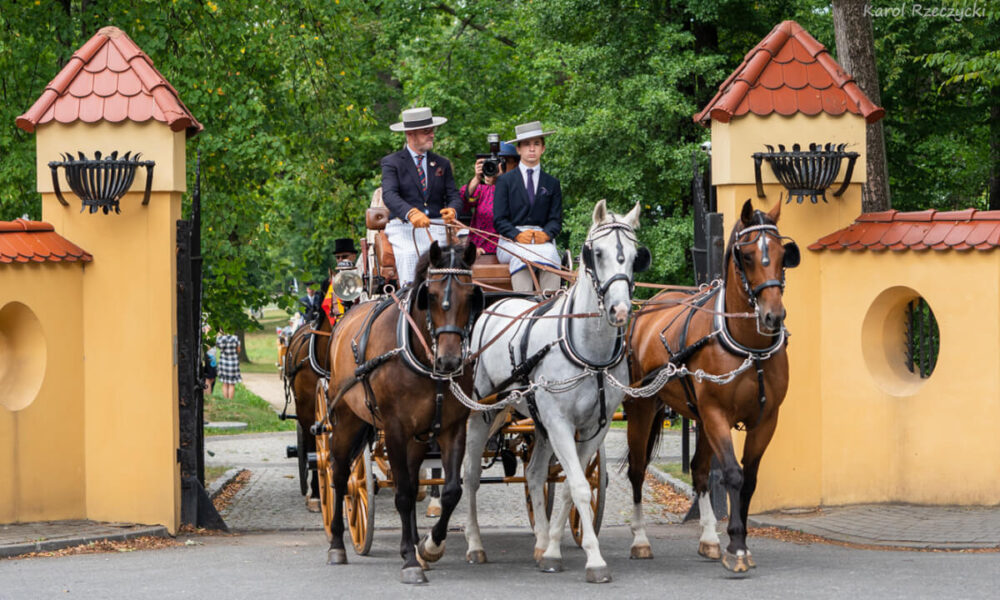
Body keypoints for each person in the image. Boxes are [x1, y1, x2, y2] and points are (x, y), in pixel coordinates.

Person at [380, 106, 462, 286]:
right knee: (410, 254)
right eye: (426, 132)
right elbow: (390, 195)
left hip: (437, 226)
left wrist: (453, 210)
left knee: (451, 258)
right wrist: (410, 213)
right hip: (403, 227)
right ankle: (410, 300)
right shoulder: (392, 163)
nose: (432, 135)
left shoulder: (442, 163)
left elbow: (453, 195)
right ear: (410, 133)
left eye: (432, 130)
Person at [493, 121, 563, 293]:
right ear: (518, 149)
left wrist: (546, 234)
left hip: (542, 240)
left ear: (543, 148)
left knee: (551, 257)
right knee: (522, 256)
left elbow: (555, 219)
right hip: (511, 241)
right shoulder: (505, 181)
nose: (532, 149)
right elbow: (499, 220)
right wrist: (517, 235)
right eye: (526, 144)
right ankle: (523, 305)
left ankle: (550, 308)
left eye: (536, 144)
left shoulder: (552, 183)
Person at [459, 141, 518, 255]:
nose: (498, 166)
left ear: (515, 165)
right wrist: (477, 178)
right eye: (495, 162)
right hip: (479, 253)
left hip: (509, 253)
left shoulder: (519, 189)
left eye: (504, 162)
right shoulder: (482, 190)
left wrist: (502, 181)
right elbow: (460, 204)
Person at [322, 238, 359, 326]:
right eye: (338, 257)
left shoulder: (361, 277)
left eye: (344, 256)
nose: (340, 259)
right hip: (337, 323)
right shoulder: (328, 283)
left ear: (354, 256)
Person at [215, 330, 242, 400]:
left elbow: (217, 346)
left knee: (225, 383)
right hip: (233, 363)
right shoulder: (235, 338)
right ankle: (230, 400)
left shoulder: (220, 339)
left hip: (223, 363)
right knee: (232, 383)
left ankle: (225, 400)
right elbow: (238, 350)